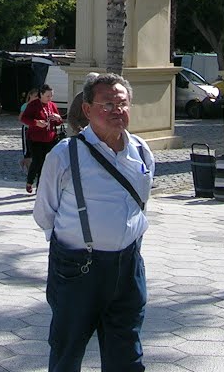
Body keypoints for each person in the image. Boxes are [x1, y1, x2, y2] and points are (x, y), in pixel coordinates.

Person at [33, 73, 154, 372]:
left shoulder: (141, 150)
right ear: (87, 110)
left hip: (127, 266)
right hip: (77, 269)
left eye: (122, 104)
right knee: (67, 350)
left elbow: (139, 203)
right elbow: (44, 212)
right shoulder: (65, 155)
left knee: (126, 353)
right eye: (107, 104)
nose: (117, 111)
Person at [21, 84, 64, 194]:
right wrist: (36, 123)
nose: (50, 98)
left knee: (47, 162)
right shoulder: (33, 105)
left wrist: (58, 118)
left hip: (50, 138)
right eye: (47, 96)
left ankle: (40, 186)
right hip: (35, 138)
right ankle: (30, 181)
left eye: (51, 96)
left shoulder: (52, 105)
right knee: (37, 161)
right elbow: (24, 118)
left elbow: (59, 121)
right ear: (41, 95)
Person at [65, 72, 101, 136]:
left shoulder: (102, 97)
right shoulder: (80, 97)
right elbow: (71, 117)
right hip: (85, 132)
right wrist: (80, 130)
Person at [19, 88, 39, 172]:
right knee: (27, 151)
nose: (37, 98)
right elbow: (20, 118)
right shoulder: (26, 106)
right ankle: (29, 170)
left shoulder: (39, 106)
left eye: (38, 96)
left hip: (36, 130)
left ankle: (31, 167)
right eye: (35, 96)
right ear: (30, 96)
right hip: (27, 129)